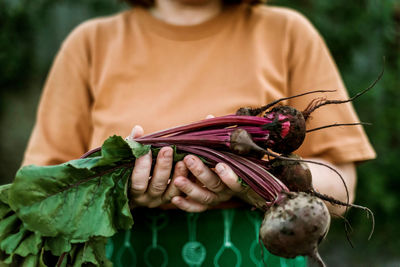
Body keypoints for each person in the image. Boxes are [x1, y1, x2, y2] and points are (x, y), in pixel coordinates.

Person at [22, 0, 376, 265]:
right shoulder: (91, 44)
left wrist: (256, 178)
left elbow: (341, 180)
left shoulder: (288, 32)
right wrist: (119, 194)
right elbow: (42, 192)